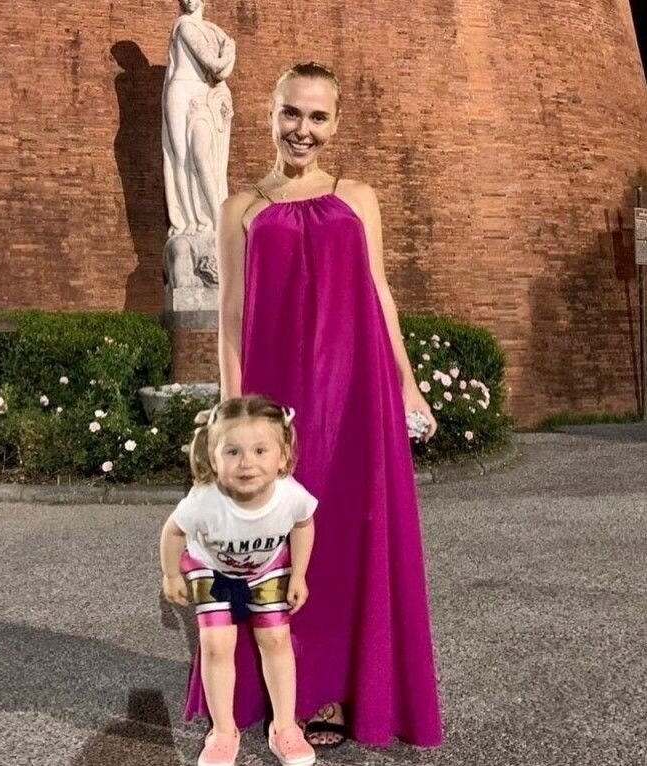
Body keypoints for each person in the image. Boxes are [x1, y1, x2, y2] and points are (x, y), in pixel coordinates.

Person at [189, 61, 444, 749]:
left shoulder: (357, 197)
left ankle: (332, 689)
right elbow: (231, 318)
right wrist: (232, 416)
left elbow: (380, 293)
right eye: (291, 113)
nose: (302, 129)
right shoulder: (240, 209)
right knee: (271, 538)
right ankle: (271, 692)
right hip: (276, 399)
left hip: (356, 391)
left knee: (345, 534)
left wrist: (407, 382)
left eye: (317, 116)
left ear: (335, 123)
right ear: (271, 115)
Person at [161, 395, 318, 766]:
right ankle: (223, 731)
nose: (247, 462)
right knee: (216, 645)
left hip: (266, 568)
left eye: (260, 450)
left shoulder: (290, 495)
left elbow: (303, 524)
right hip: (211, 569)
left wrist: (299, 574)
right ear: (213, 457)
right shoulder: (204, 501)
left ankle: (284, 727)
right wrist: (171, 574)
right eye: (232, 452)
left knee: (276, 640)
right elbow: (173, 531)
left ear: (282, 456)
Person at [162, 0, 235, 235]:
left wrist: (229, 51)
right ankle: (188, 221)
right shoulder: (185, 26)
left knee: (202, 156)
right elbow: (214, 64)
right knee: (180, 157)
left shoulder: (212, 30)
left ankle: (215, 218)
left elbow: (221, 72)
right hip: (180, 91)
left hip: (202, 96)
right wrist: (230, 51)